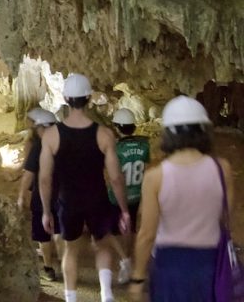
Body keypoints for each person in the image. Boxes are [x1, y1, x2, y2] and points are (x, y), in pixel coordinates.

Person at [129, 96, 233, 301]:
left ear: (168, 133)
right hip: (210, 263)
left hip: (170, 265)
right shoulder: (222, 168)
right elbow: (224, 214)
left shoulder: (155, 177)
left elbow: (147, 234)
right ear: (203, 131)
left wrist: (138, 278)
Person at [39, 73, 130, 302]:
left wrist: (46, 211)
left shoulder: (51, 136)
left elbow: (45, 179)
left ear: (65, 98)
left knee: (71, 249)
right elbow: (116, 177)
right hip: (97, 199)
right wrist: (124, 209)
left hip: (68, 201)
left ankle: (71, 298)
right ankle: (106, 295)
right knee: (101, 246)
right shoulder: (104, 134)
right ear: (89, 98)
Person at [17, 107, 62, 282]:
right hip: (63, 194)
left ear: (42, 128)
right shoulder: (64, 143)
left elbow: (28, 174)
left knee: (44, 233)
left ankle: (49, 267)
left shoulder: (39, 147)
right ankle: (64, 262)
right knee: (59, 230)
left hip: (41, 195)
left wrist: (21, 195)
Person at [106, 108, 150, 284]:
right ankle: (128, 258)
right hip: (136, 194)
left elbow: (113, 176)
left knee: (107, 229)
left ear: (117, 127)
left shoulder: (116, 148)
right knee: (129, 228)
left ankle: (124, 259)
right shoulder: (144, 145)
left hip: (117, 196)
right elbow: (146, 169)